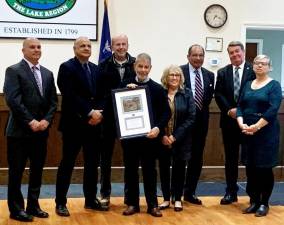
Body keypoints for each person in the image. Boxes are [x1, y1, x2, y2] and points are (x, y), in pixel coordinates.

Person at [4, 38, 57, 222]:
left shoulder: (48, 74)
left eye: (39, 47)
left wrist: (46, 121)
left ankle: (33, 206)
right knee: (16, 173)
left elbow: (53, 102)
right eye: (32, 47)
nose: (36, 50)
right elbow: (13, 100)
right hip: (19, 133)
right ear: (23, 50)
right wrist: (31, 121)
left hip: (40, 133)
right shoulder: (14, 70)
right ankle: (16, 209)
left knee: (37, 171)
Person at [55, 37, 105, 216]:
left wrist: (99, 112)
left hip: (94, 126)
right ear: (74, 49)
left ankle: (90, 200)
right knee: (67, 164)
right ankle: (60, 202)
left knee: (92, 165)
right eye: (82, 46)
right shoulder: (67, 67)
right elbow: (69, 95)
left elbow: (102, 95)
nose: (86, 48)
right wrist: (89, 112)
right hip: (73, 125)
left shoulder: (96, 69)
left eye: (88, 46)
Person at [121, 53, 171, 217]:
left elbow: (165, 113)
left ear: (150, 68)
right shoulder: (125, 85)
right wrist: (125, 93)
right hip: (131, 139)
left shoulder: (157, 89)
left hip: (150, 138)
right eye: (140, 66)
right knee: (130, 171)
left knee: (150, 171)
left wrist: (157, 128)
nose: (143, 70)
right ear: (135, 67)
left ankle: (152, 205)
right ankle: (132, 204)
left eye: (146, 67)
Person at [236, 54, 282, 217]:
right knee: (251, 168)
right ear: (253, 66)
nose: (260, 66)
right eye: (256, 63)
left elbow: (272, 109)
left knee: (264, 169)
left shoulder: (274, 85)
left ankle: (264, 203)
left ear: (270, 67)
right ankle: (254, 201)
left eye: (263, 63)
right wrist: (241, 123)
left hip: (266, 133)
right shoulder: (248, 84)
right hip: (247, 131)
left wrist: (256, 126)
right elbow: (240, 106)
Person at [215, 41, 256, 205]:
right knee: (230, 159)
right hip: (229, 122)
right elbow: (218, 94)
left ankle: (253, 193)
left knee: (249, 159)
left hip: (248, 122)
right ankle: (231, 192)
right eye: (231, 52)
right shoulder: (223, 72)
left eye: (237, 52)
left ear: (243, 52)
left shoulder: (253, 70)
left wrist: (240, 111)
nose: (234, 55)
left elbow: (254, 93)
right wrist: (230, 110)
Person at [98, 34, 136, 209]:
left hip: (130, 119)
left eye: (124, 44)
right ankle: (105, 194)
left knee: (130, 159)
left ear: (128, 45)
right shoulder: (103, 65)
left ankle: (130, 198)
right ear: (111, 47)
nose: (121, 47)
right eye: (117, 44)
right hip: (108, 119)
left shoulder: (136, 64)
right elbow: (99, 92)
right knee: (105, 158)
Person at [158, 65, 196, 212]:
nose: (174, 78)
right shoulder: (159, 93)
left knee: (180, 169)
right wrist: (163, 136)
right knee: (163, 169)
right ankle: (166, 198)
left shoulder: (186, 93)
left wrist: (175, 136)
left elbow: (191, 117)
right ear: (166, 77)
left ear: (181, 78)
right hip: (162, 139)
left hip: (181, 139)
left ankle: (178, 198)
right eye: (171, 75)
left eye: (177, 75)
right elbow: (154, 115)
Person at [181, 44, 215, 205]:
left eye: (201, 55)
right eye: (194, 55)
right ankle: (176, 193)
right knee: (181, 158)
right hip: (182, 122)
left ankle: (190, 193)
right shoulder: (179, 72)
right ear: (188, 56)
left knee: (196, 158)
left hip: (201, 123)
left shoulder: (209, 75)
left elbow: (207, 100)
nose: (198, 58)